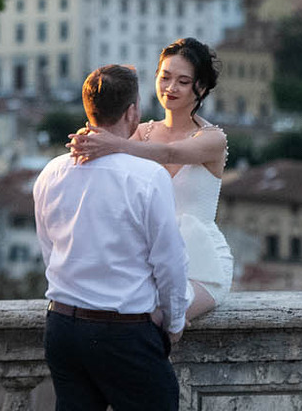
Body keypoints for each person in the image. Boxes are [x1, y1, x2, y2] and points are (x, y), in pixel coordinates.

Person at [35, 63, 191, 411]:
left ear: (89, 108)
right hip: (121, 334)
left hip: (61, 327)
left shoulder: (50, 173)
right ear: (133, 110)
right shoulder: (147, 177)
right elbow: (169, 262)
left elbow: (50, 252)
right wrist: (175, 321)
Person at [71, 36, 235, 320]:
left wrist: (113, 143)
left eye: (183, 82)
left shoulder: (212, 139)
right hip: (149, 261)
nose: (170, 88)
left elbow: (170, 153)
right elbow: (107, 149)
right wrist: (88, 140)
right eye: (165, 77)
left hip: (203, 262)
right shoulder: (141, 134)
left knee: (156, 320)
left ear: (202, 88)